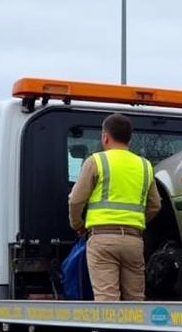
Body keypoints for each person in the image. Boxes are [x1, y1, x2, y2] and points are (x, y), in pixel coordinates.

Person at [68, 113, 161, 302]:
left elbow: (75, 200)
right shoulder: (145, 165)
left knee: (107, 300)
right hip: (134, 241)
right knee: (135, 300)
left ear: (105, 136)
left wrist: (78, 224)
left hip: (102, 239)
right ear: (129, 138)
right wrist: (136, 222)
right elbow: (155, 205)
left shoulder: (96, 161)